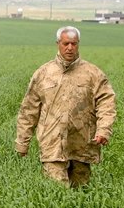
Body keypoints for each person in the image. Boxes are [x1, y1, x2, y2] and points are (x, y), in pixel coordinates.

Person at [15, 26, 116, 187]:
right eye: (66, 43)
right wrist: (22, 142)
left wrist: (104, 130)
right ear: (58, 44)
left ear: (78, 44)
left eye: (74, 44)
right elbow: (28, 110)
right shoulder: (43, 74)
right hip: (52, 143)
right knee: (57, 192)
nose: (70, 48)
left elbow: (107, 104)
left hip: (82, 144)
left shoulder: (93, 74)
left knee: (81, 190)